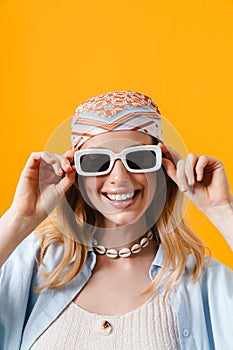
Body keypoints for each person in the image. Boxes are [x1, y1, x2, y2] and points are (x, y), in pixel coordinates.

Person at [0, 91, 232, 350]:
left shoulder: (204, 280)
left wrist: (222, 211)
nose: (120, 177)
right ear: (75, 170)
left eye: (139, 158)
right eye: (97, 161)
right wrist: (18, 219)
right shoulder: (34, 263)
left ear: (162, 165)